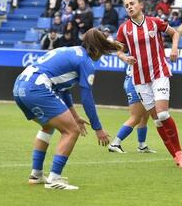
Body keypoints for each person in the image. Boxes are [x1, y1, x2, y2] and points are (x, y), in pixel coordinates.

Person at [12, 28, 121, 190]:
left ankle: (36, 174)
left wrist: (75, 116)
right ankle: (54, 179)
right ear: (97, 48)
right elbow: (87, 98)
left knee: (48, 126)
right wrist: (98, 128)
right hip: (36, 87)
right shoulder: (85, 62)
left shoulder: (70, 51)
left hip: (20, 86)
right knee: (72, 131)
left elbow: (63, 90)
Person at [116, 0, 182, 168]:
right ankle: (176, 157)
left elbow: (175, 33)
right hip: (139, 79)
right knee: (157, 120)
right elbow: (118, 50)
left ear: (141, 5)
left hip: (159, 73)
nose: (129, 7)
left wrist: (174, 49)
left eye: (132, 3)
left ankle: (180, 152)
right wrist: (124, 58)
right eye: (126, 6)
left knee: (163, 113)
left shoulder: (154, 22)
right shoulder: (124, 29)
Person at [108, 66, 156, 153]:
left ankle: (142, 146)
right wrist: (125, 58)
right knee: (136, 117)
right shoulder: (136, 53)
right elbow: (120, 53)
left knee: (145, 116)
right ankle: (114, 144)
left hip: (143, 83)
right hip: (135, 82)